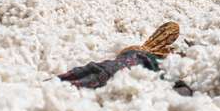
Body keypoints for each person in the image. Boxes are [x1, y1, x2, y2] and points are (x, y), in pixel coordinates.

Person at [57, 22, 193, 96]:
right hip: (135, 64)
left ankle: (62, 85)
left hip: (137, 68)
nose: (167, 37)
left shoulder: (166, 52)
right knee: (102, 72)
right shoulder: (154, 50)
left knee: (102, 73)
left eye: (171, 37)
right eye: (167, 34)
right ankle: (60, 85)